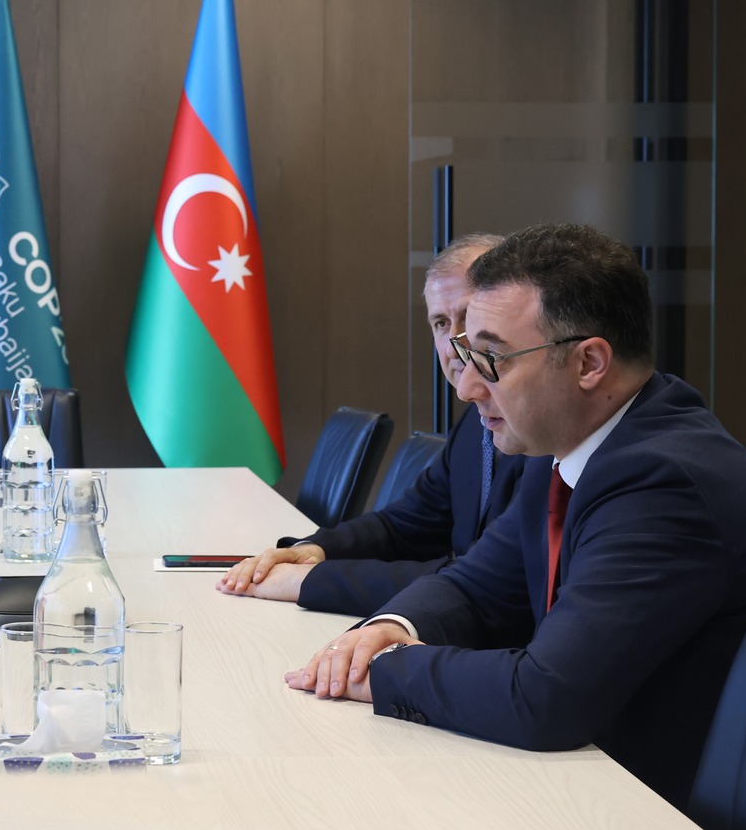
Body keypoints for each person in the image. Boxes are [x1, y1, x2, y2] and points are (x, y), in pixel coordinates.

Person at [285, 223, 746, 807]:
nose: (467, 386)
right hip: (619, 776)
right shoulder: (568, 445)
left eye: (491, 358)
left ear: (589, 363)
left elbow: (545, 698)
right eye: (467, 353)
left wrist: (388, 669)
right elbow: (478, 585)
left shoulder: (661, 482)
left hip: (715, 823)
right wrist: (393, 628)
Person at [216, 233, 526, 614]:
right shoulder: (474, 423)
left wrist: (310, 581)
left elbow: (486, 582)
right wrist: (315, 550)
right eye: (441, 323)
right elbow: (404, 526)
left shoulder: (544, 435)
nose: (452, 346)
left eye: (469, 320)